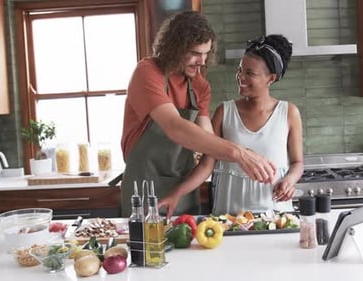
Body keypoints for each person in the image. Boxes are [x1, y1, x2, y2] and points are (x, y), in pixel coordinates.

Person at [120, 11, 277, 217]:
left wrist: (179, 192)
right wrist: (239, 153)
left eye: (206, 53)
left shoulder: (200, 87)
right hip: (143, 191)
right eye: (195, 53)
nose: (201, 61)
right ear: (174, 47)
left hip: (184, 189)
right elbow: (175, 127)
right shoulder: (147, 72)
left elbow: (208, 147)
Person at [159, 34, 304, 217]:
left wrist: (289, 181)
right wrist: (176, 194)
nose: (240, 77)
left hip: (275, 214)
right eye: (240, 70)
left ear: (271, 78)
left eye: (250, 73)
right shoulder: (224, 112)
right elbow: (206, 166)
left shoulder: (289, 113)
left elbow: (298, 163)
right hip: (229, 217)